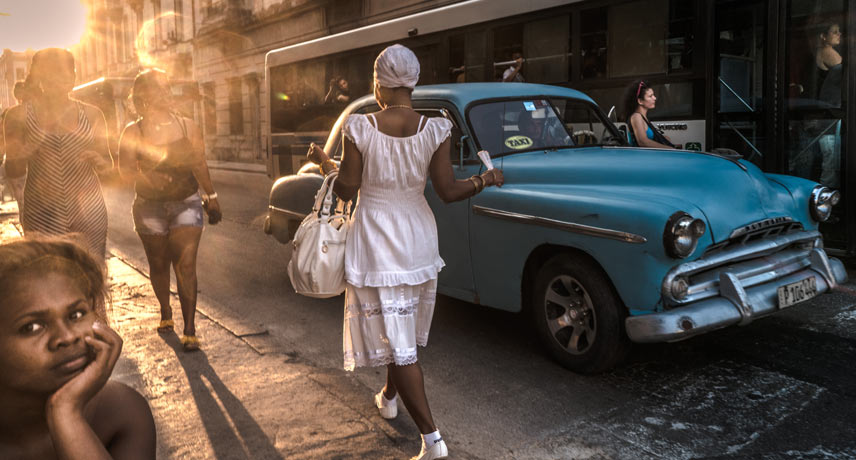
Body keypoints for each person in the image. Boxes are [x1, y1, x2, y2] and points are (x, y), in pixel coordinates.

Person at [307, 44, 504, 460]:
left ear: (378, 84)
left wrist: (326, 163)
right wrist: (485, 180)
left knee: (398, 341)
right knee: (398, 327)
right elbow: (449, 192)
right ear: (412, 83)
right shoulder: (436, 128)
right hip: (417, 234)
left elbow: (347, 188)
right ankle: (389, 396)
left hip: (377, 235)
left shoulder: (359, 126)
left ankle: (433, 441)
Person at [0, 238, 156, 459]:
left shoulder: (122, 411)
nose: (67, 337)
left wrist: (66, 413)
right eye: (32, 327)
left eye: (76, 315)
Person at [117, 69, 222, 352]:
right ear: (143, 96)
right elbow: (124, 172)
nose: (166, 93)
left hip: (186, 201)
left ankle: (190, 329)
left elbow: (199, 162)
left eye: (167, 87)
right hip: (148, 207)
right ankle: (166, 311)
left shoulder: (187, 125)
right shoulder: (132, 131)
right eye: (159, 88)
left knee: (185, 264)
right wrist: (147, 178)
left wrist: (211, 196)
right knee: (159, 263)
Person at [2, 49, 113, 258]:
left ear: (73, 78)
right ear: (39, 79)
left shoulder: (92, 114)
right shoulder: (18, 117)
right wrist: (23, 153)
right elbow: (13, 170)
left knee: (92, 273)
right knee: (50, 276)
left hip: (89, 210)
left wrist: (101, 162)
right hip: (42, 212)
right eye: (49, 76)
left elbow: (109, 166)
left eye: (64, 76)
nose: (57, 83)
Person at [814, 22, 843, 188]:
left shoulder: (820, 53)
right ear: (823, 36)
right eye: (835, 32)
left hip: (825, 116)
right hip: (828, 118)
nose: (839, 34)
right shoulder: (828, 53)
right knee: (830, 164)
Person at [621, 79, 677, 149]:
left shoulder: (643, 117)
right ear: (640, 101)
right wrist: (669, 148)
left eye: (653, 95)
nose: (655, 98)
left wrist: (664, 139)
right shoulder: (636, 117)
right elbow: (643, 142)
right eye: (650, 96)